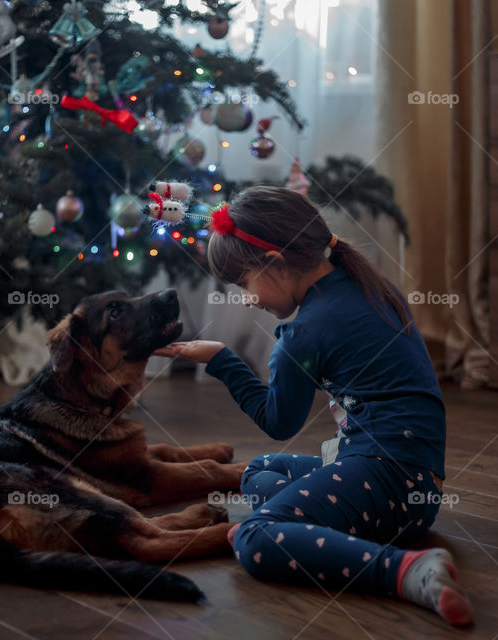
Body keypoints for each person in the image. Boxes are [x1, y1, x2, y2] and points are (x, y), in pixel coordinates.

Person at [152, 186, 473, 626]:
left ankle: (406, 570)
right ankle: (309, 526)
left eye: (244, 284)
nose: (247, 299)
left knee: (255, 537)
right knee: (257, 472)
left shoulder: (304, 334)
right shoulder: (362, 284)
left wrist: (222, 360)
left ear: (274, 264)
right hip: (415, 479)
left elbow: (276, 420)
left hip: (390, 482)